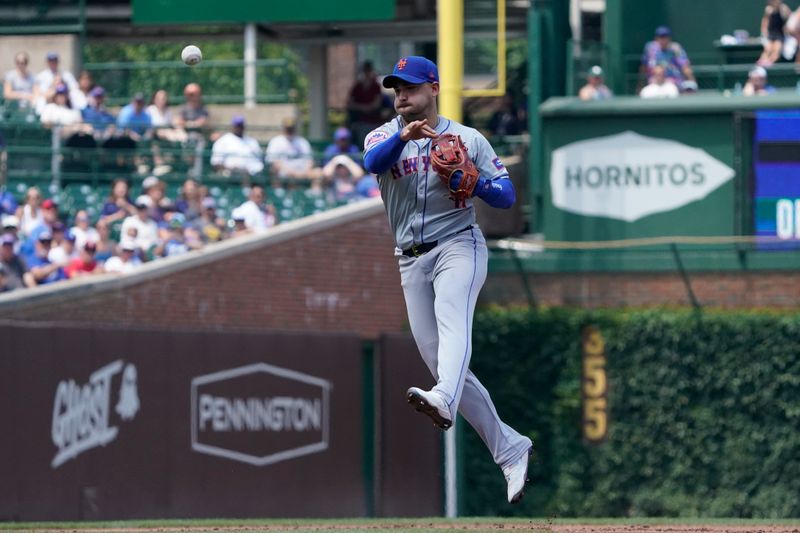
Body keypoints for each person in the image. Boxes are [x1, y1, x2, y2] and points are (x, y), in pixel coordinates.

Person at [362, 56, 533, 505]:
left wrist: (470, 181)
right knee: (445, 365)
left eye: (411, 87)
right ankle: (511, 449)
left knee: (452, 321)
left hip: (460, 245)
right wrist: (403, 137)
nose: (402, 95)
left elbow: (506, 195)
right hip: (410, 260)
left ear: (433, 88)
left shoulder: (467, 138)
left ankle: (443, 398)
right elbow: (371, 163)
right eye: (396, 88)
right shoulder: (383, 136)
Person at [347, 61, 385, 144]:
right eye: (365, 71)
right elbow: (350, 104)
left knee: (376, 142)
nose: (367, 73)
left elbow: (376, 104)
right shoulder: (357, 86)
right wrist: (364, 108)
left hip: (375, 122)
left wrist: (362, 107)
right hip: (360, 122)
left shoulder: (376, 86)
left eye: (368, 71)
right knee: (362, 143)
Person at [759, 0, 793, 66]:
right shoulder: (768, 9)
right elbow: (765, 21)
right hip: (771, 33)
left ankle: (769, 63)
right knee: (768, 49)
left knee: (776, 50)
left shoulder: (784, 8)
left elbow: (790, 18)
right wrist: (764, 30)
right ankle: (761, 64)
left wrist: (787, 28)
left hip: (780, 34)